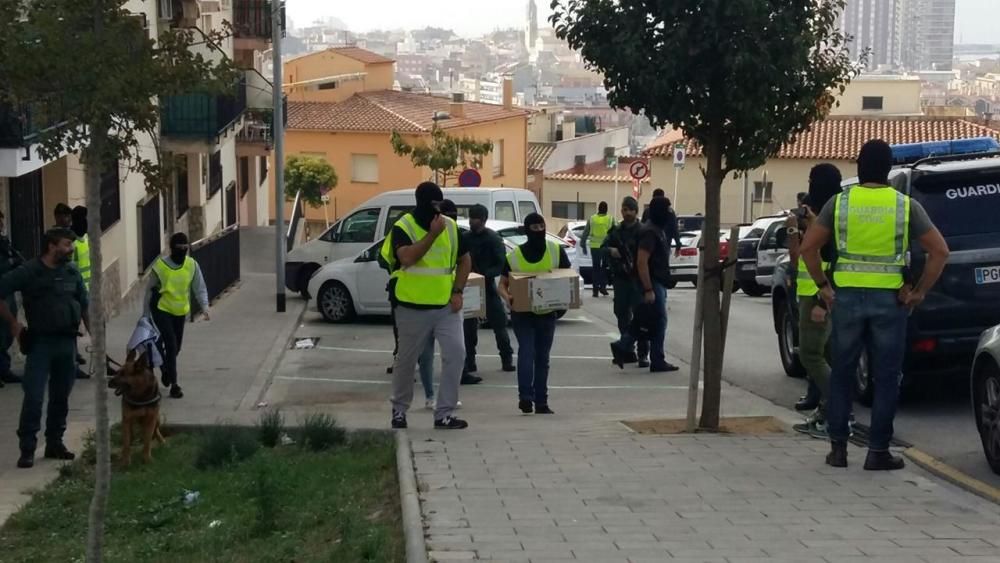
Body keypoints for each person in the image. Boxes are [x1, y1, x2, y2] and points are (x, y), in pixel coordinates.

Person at [800, 139, 950, 471]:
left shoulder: (839, 204)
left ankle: (838, 449)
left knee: (841, 374)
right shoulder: (905, 205)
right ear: (888, 169)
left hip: (847, 299)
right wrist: (920, 291)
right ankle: (877, 451)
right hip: (890, 302)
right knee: (885, 377)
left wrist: (823, 287)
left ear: (858, 166)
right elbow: (940, 251)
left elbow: (808, 248)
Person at [381, 182, 471, 430]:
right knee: (406, 361)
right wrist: (432, 235)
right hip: (411, 306)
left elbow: (465, 261)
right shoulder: (403, 226)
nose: (436, 209)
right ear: (421, 203)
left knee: (456, 354)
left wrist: (458, 291)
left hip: (445, 306)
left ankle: (444, 413)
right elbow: (407, 257)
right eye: (432, 204)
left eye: (439, 204)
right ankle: (399, 411)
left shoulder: (450, 227)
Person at [0, 228, 89, 468]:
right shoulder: (30, 271)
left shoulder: (71, 272)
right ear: (52, 246)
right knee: (34, 396)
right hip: (40, 343)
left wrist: (96, 339)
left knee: (61, 396)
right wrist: (13, 324)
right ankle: (27, 448)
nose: (70, 249)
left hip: (67, 343)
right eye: (66, 244)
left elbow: (84, 304)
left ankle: (54, 443)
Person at [785, 164, 843, 439]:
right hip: (814, 292)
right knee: (825, 356)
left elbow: (829, 255)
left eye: (811, 181)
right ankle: (826, 410)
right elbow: (797, 258)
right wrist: (795, 230)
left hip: (819, 294)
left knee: (810, 354)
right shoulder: (827, 213)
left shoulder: (830, 216)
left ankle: (839, 411)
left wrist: (822, 298)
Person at [498, 213, 571, 415]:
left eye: (541, 226)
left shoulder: (556, 251)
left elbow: (567, 278)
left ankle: (541, 401)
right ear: (527, 230)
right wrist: (508, 297)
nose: (539, 230)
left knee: (542, 357)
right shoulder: (514, 256)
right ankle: (526, 398)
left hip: (547, 313)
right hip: (523, 314)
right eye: (534, 227)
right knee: (527, 352)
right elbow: (501, 284)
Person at [611, 197, 679, 372]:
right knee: (659, 321)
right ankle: (657, 359)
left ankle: (622, 345)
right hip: (652, 282)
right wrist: (648, 289)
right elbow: (642, 262)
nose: (670, 213)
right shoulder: (650, 232)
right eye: (667, 209)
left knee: (645, 318)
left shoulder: (656, 230)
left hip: (657, 282)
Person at [145, 233, 210, 399]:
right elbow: (148, 291)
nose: (182, 251)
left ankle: (166, 369)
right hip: (162, 309)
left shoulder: (191, 265)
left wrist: (204, 307)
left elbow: (199, 287)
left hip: (180, 312)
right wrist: (145, 315)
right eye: (179, 248)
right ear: (172, 248)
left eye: (185, 248)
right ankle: (174, 385)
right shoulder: (160, 267)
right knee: (172, 344)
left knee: (176, 347)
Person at [462, 203, 515, 379]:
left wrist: (484, 275)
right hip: (469, 287)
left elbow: (500, 263)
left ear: (483, 220)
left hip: (488, 287)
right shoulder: (465, 238)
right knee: (468, 328)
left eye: (475, 218)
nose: (471, 221)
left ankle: (506, 359)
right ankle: (470, 361)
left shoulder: (493, 238)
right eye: (470, 217)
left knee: (499, 324)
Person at [604, 197, 649, 367]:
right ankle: (627, 348)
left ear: (636, 211)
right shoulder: (616, 231)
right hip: (621, 279)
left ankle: (643, 353)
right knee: (621, 312)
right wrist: (611, 251)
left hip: (638, 279)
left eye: (631, 209)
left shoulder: (643, 231)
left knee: (641, 316)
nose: (627, 212)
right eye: (624, 209)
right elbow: (602, 248)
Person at [0, 211, 24, 386]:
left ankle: (4, 369)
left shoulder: (3, 242)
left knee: (7, 332)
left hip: (7, 289)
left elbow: (17, 258)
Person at [69, 206, 90, 380]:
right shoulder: (71, 243)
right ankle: (72, 365)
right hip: (74, 294)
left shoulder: (84, 239)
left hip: (85, 291)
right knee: (72, 329)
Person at [580, 201, 614, 297]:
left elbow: (585, 233)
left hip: (594, 247)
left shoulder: (592, 219)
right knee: (605, 267)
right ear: (606, 209)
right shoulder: (610, 219)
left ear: (598, 209)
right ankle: (603, 287)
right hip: (605, 247)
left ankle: (595, 291)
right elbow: (615, 233)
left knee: (596, 268)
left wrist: (583, 245)